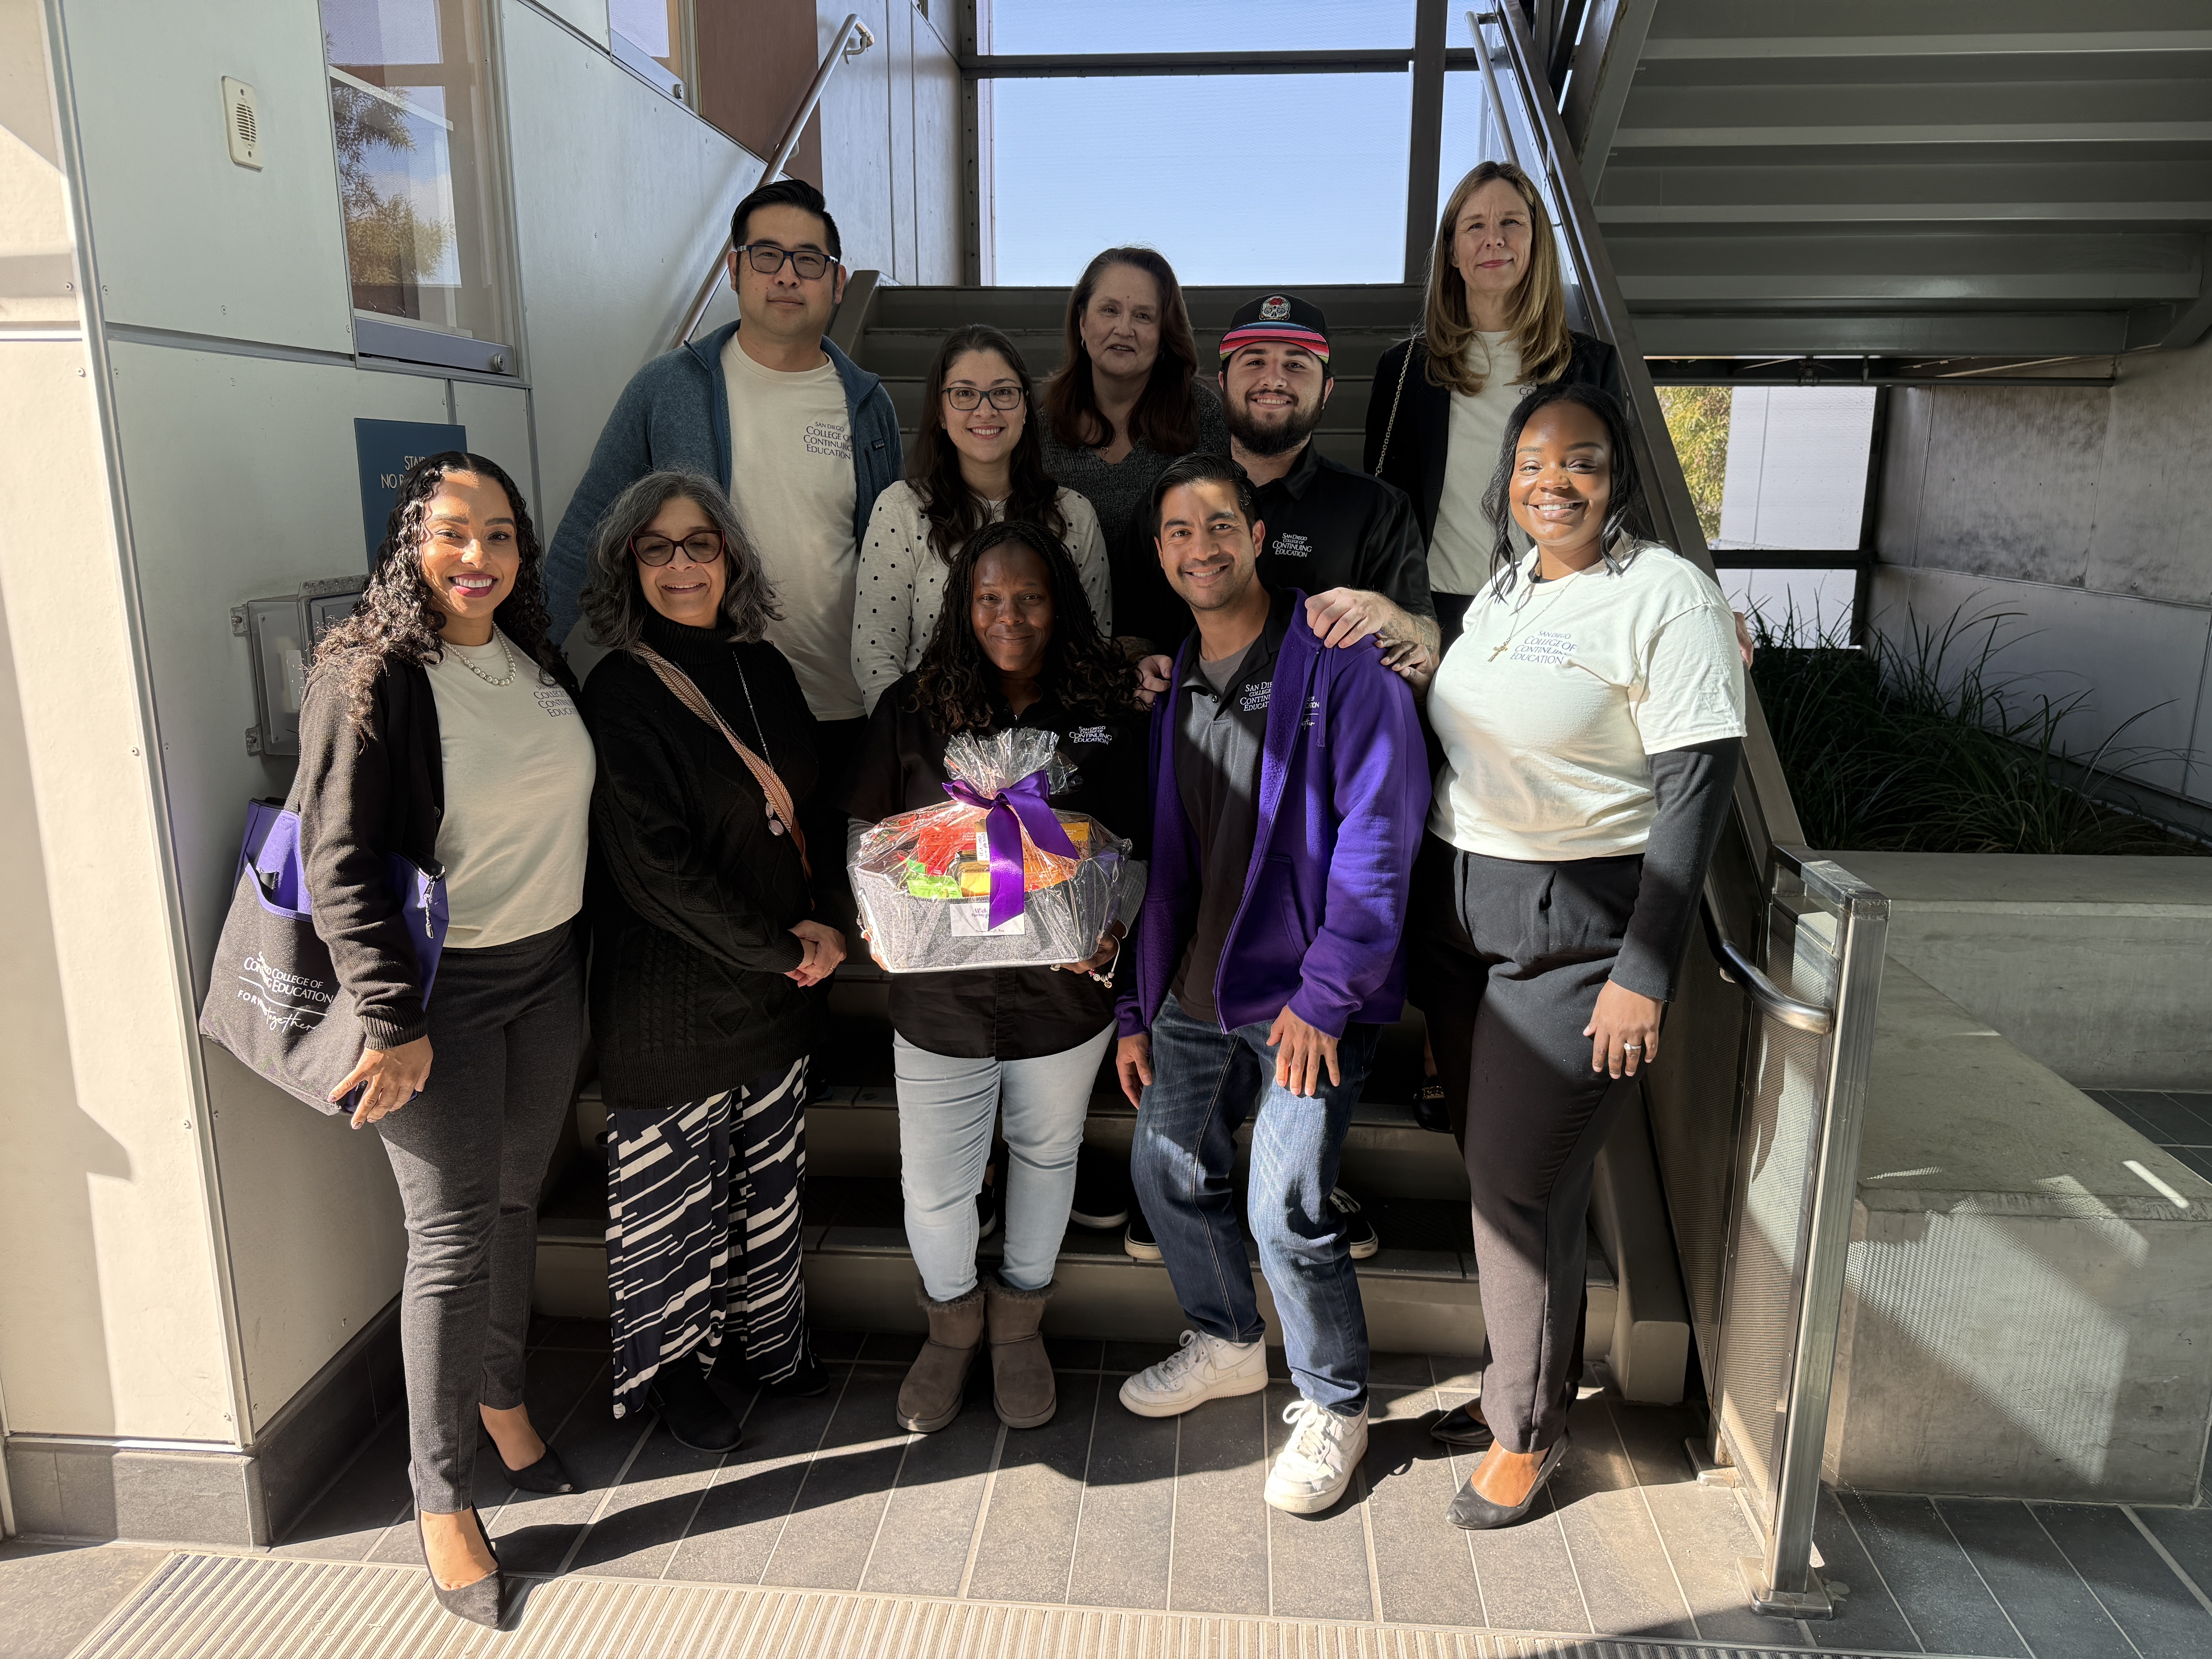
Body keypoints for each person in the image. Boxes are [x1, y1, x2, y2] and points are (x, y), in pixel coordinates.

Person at [1412, 382, 1745, 1528]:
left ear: (1618, 478)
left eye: (1582, 462)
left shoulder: (1663, 596)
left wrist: (1644, 969)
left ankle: (1527, 1432)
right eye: (1532, 462)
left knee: (1518, 1183)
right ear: (1504, 479)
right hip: (1463, 921)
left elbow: (1696, 787)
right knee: (1508, 1178)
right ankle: (1526, 1380)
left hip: (1581, 931)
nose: (1553, 481)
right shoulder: (1503, 592)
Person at [298, 452, 594, 1628]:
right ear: (409, 541)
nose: (479, 559)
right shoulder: (368, 672)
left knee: (519, 1198)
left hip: (550, 972)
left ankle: (503, 1400)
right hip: (441, 997)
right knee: (453, 1238)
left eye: (502, 537)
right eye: (454, 534)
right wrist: (392, 1018)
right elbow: (336, 859)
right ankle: (438, 1499)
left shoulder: (531, 658)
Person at [1112, 453, 1428, 1517]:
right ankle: (1228, 1338)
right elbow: (1169, 860)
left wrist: (1328, 994)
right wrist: (1136, 1003)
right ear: (1159, 555)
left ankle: (1337, 1399)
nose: (1198, 546)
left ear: (1257, 535)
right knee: (1164, 1167)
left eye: (1217, 524)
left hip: (1308, 998)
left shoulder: (1344, 664)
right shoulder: (1175, 688)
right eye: (1175, 531)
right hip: (1198, 995)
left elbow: (1380, 845)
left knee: (1286, 1207)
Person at [845, 521, 1149, 1435]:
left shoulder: (1106, 704)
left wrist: (1115, 929)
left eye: (1029, 598)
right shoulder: (912, 708)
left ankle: (1020, 1326)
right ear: (960, 607)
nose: (1009, 617)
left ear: (1060, 603)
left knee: (1049, 1157)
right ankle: (949, 1328)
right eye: (989, 599)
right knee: (936, 1183)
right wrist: (873, 917)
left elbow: (1137, 838)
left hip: (1062, 995)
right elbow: (868, 835)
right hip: (938, 999)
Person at [543, 175, 900, 923]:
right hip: (711, 698)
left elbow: (890, 548)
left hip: (838, 702)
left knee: (836, 908)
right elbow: (588, 526)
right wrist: (528, 654)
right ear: (733, 268)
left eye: (809, 260)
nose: (786, 274)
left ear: (838, 282)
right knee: (734, 901)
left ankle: (813, 1042)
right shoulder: (668, 387)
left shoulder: (868, 403)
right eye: (766, 253)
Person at [576, 471, 847, 1453]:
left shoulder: (764, 670)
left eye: (701, 544)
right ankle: (671, 1374)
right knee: (673, 1200)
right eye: (659, 548)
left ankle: (765, 1344)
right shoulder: (619, 689)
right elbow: (653, 867)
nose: (683, 565)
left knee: (767, 1185)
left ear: (730, 557)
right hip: (674, 1000)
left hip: (778, 989)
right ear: (628, 566)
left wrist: (819, 922)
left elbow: (806, 812)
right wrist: (782, 949)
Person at [1365, 161, 1623, 656]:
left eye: (1511, 223)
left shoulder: (1590, 366)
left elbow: (1616, 502)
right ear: (1452, 251)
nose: (1494, 239)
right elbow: (1384, 504)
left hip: (1554, 609)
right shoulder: (1402, 370)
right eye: (1475, 226)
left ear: (1535, 243)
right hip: (1432, 620)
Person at [852, 324, 1110, 714]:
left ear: (1026, 407)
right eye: (965, 394)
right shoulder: (901, 509)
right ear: (940, 411)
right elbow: (875, 657)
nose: (985, 410)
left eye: (1003, 393)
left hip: (1047, 748)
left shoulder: (1073, 515)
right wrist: (914, 749)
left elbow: (1094, 647)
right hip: (932, 745)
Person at [1037, 247, 1231, 641]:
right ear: (1082, 322)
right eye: (1109, 310)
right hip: (1061, 649)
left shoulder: (1203, 417)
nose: (1124, 329)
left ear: (1164, 335)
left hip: (1179, 647)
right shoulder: (1040, 425)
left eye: (1143, 316)